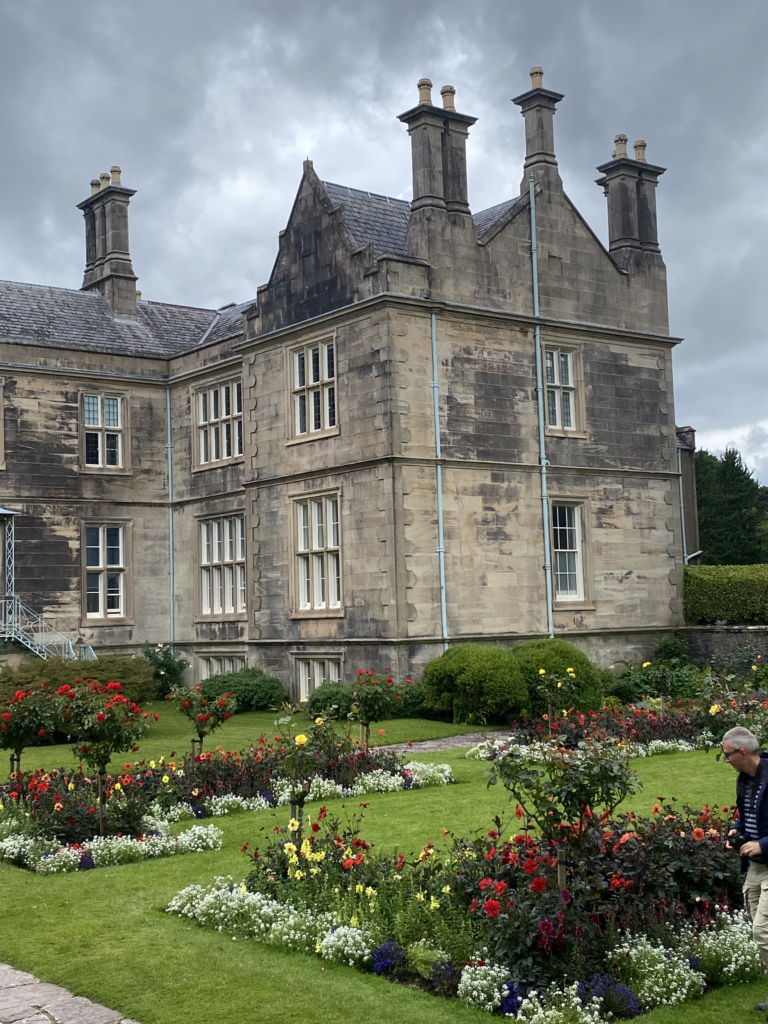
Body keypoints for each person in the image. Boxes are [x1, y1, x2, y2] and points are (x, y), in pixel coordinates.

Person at [724, 726, 768, 1008]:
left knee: (763, 932)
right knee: (758, 928)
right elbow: (746, 815)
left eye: (727, 755)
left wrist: (764, 844)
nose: (725, 760)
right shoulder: (744, 779)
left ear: (742, 752)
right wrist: (735, 830)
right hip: (754, 867)